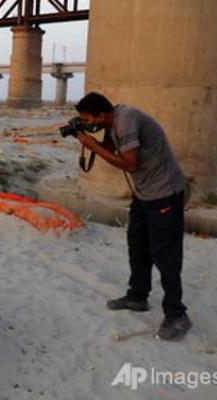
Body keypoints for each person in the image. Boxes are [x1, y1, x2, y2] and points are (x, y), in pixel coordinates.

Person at [73, 92, 191, 341]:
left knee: (165, 254)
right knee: (137, 245)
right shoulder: (112, 121)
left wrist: (92, 146)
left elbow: (129, 163)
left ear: (102, 114)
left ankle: (177, 315)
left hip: (164, 193)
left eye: (88, 119)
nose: (88, 122)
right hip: (143, 194)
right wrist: (85, 137)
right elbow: (110, 148)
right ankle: (137, 297)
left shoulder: (126, 119)